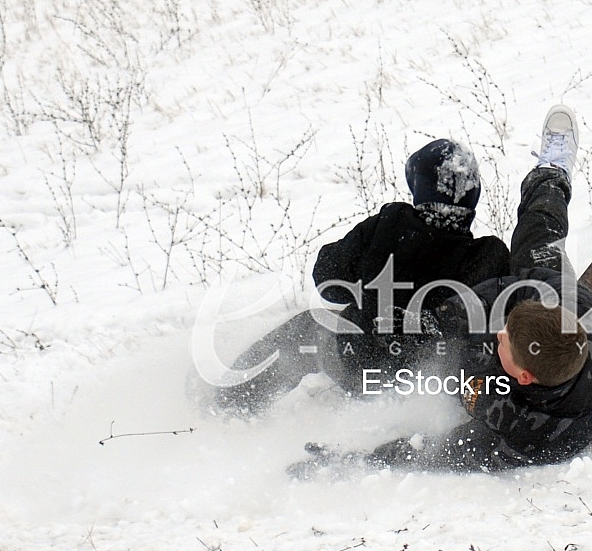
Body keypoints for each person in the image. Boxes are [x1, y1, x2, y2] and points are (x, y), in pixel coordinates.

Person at [354, 105, 592, 472]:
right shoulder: (558, 305)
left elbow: (446, 451)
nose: (500, 333)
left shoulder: (529, 431)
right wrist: (446, 315)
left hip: (524, 386)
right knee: (538, 235)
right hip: (571, 308)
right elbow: (508, 290)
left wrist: (355, 460)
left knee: (460, 367)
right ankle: (553, 169)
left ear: (522, 377)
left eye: (505, 341)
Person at [213, 139, 510, 416]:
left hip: (360, 365)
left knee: (311, 324)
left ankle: (229, 403)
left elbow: (328, 282)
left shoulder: (389, 223)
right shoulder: (489, 254)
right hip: (437, 384)